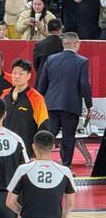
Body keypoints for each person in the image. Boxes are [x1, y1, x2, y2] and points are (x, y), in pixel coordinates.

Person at [39, 32, 93, 168]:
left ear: (63, 44)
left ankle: (41, 162)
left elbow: (42, 82)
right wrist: (89, 105)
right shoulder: (82, 61)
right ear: (76, 44)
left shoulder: (51, 59)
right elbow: (84, 85)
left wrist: (39, 101)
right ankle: (65, 166)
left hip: (51, 104)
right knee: (68, 138)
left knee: (48, 136)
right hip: (70, 105)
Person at [2, 59, 49, 158]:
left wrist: (37, 153)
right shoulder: (4, 95)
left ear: (29, 76)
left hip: (26, 151)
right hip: (5, 149)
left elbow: (43, 126)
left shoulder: (37, 98)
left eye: (21, 74)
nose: (16, 76)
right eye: (14, 73)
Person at [33, 18, 63, 87]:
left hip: (42, 78)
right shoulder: (63, 44)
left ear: (48, 29)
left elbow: (36, 63)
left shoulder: (39, 44)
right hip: (58, 79)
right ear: (60, 30)